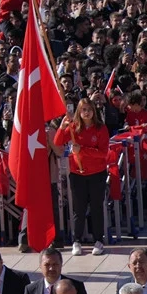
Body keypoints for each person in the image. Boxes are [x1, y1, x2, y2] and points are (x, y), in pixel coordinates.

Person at [54, 98, 111, 256]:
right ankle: (76, 240)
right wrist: (62, 127)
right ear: (79, 111)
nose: (86, 112)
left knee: (96, 207)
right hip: (77, 174)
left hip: (97, 174)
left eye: (89, 109)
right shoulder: (73, 128)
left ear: (94, 110)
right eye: (83, 109)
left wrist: (82, 150)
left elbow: (103, 153)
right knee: (78, 209)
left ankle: (98, 239)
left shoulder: (101, 129)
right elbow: (58, 141)